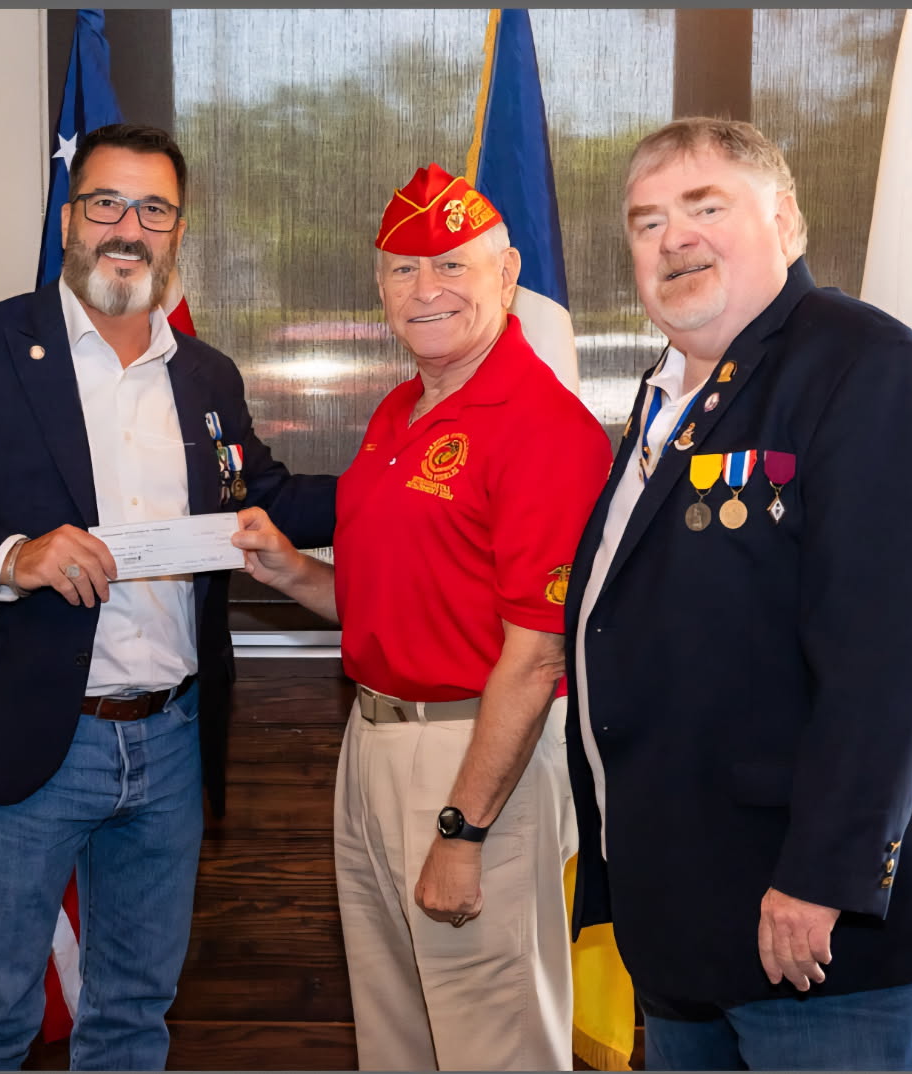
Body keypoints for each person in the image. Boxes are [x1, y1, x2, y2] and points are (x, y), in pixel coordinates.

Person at [0, 123, 336, 1071]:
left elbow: (263, 499)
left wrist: (409, 481)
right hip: (31, 734)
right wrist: (12, 555)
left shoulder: (205, 375)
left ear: (176, 232)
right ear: (70, 218)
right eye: (106, 202)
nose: (129, 226)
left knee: (134, 1015)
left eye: (153, 209)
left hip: (171, 738)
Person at [563, 116, 912, 1070]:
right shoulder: (668, 397)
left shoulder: (868, 370)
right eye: (646, 223)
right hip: (693, 925)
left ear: (789, 223)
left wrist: (822, 878)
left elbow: (896, 658)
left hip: (824, 936)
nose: (672, 238)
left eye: (705, 207)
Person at [233, 163, 612, 1070]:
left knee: (496, 1041)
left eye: (452, 265)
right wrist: (292, 574)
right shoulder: (400, 409)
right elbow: (391, 600)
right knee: (396, 1035)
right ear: (380, 289)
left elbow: (534, 658)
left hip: (477, 757)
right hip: (371, 740)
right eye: (404, 270)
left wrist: (463, 829)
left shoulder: (543, 426)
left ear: (509, 272)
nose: (427, 288)